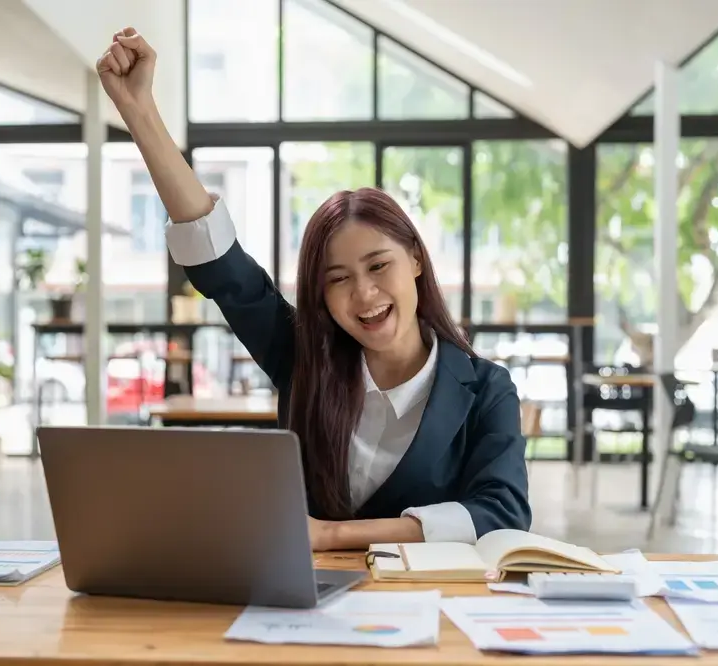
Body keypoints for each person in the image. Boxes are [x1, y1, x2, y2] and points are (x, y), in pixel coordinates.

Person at [96, 28, 531, 551]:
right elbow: (220, 262)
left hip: (432, 607)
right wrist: (138, 109)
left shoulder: (486, 389)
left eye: (378, 266)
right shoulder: (306, 357)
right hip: (311, 604)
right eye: (339, 279)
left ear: (416, 258)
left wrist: (331, 535)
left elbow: (500, 512)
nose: (365, 294)